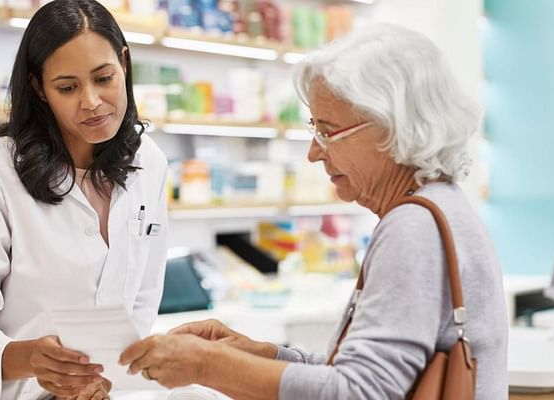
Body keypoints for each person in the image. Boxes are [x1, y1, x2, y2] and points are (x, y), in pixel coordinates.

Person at [118, 23, 508, 399]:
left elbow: (359, 393)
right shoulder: (442, 205)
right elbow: (364, 375)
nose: (314, 152)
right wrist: (259, 355)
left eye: (327, 130)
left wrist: (209, 364)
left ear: (391, 128)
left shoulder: (413, 226)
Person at [0, 1, 169, 399]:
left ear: (124, 63)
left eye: (104, 78)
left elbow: (140, 300)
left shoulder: (149, 163)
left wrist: (105, 379)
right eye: (67, 87)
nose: (91, 101)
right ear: (39, 88)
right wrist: (30, 358)